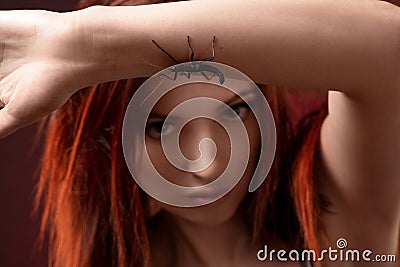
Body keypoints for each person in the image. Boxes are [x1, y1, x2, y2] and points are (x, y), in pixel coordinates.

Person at [0, 0, 399, 266]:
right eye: (160, 127)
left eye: (235, 112)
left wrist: (89, 42)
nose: (210, 169)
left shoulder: (333, 228)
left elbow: (391, 45)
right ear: (107, 140)